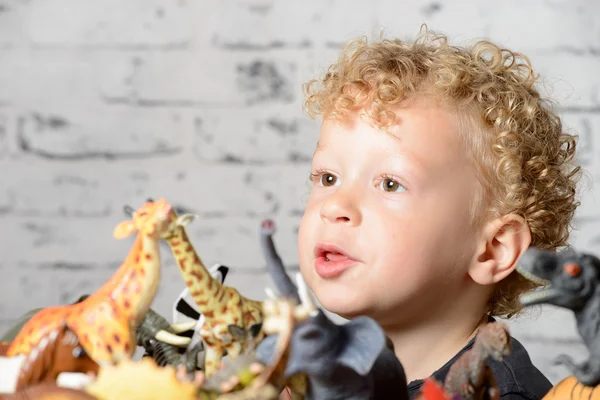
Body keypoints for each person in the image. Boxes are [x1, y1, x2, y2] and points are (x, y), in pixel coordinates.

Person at [294, 26, 581, 399]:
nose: (334, 206)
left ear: (493, 249)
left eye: (390, 184)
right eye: (328, 177)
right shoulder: (320, 374)